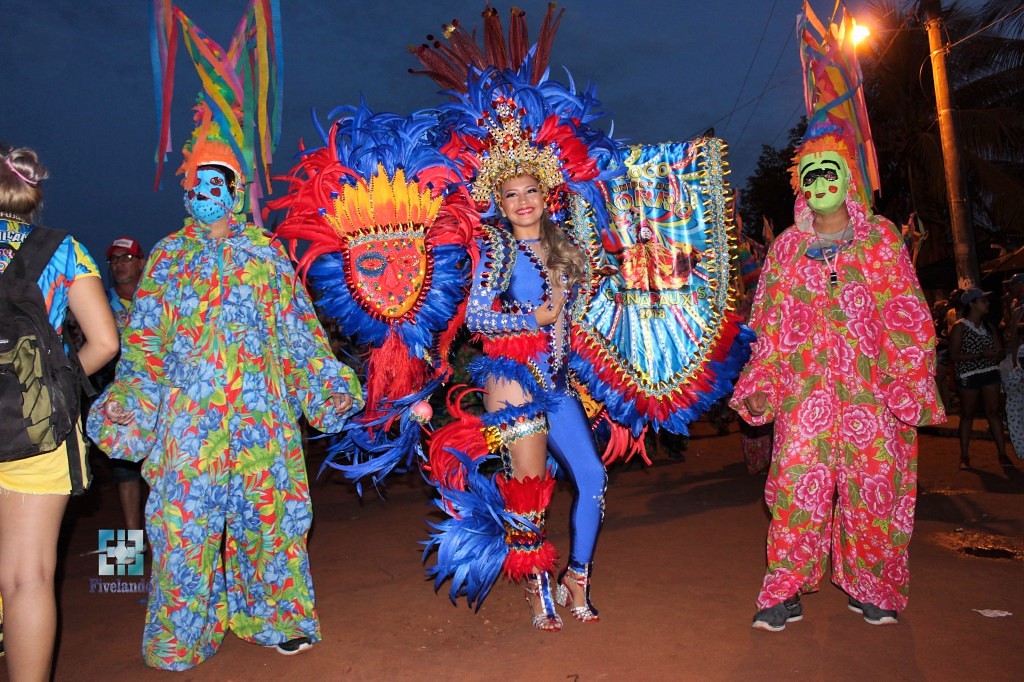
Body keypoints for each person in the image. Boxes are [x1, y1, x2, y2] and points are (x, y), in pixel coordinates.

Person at [86, 1, 362, 669]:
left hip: (262, 421)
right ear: (186, 191)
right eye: (196, 183)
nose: (206, 193)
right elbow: (144, 350)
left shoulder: (267, 254)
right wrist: (131, 407)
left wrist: (324, 386)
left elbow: (299, 335)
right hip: (188, 425)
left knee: (273, 522)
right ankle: (183, 633)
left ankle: (276, 618)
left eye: (219, 183)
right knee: (181, 529)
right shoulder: (167, 259)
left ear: (236, 191)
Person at [731, 131, 944, 631]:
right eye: (811, 174)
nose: (821, 181)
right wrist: (761, 385)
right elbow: (767, 327)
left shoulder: (881, 239)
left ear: (848, 178)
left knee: (875, 488)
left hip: (872, 392)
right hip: (803, 394)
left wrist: (907, 380)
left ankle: (871, 587)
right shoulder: (786, 250)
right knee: (795, 488)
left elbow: (908, 314)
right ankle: (784, 589)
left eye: (831, 171)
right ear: (800, 186)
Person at [463, 173, 607, 631]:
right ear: (500, 204)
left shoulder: (567, 250)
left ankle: (578, 576)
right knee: (529, 491)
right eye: (511, 194)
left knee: (593, 477)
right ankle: (537, 584)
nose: (522, 201)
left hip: (560, 384)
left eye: (531, 191)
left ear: (546, 197)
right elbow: (475, 316)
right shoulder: (497, 251)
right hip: (515, 380)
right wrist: (532, 318)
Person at [0, 146, 119, 681]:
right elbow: (104, 342)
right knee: (26, 576)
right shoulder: (62, 251)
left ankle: (126, 554)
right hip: (37, 426)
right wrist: (58, 387)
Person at [103, 237, 148, 539]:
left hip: (158, 396)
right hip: (118, 397)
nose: (119, 264)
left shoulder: (156, 297)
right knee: (125, 471)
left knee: (162, 469)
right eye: (114, 259)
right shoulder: (100, 302)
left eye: (127, 258)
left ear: (141, 262)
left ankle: (165, 544)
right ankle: (131, 549)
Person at [948, 288, 1013, 470]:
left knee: (993, 413)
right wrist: (981, 355)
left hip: (989, 371)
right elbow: (954, 355)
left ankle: (1002, 454)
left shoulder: (988, 326)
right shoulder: (960, 327)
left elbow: (1000, 351)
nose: (987, 304)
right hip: (969, 374)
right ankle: (964, 455)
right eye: (983, 301)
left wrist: (996, 355)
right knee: (967, 414)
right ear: (972, 304)